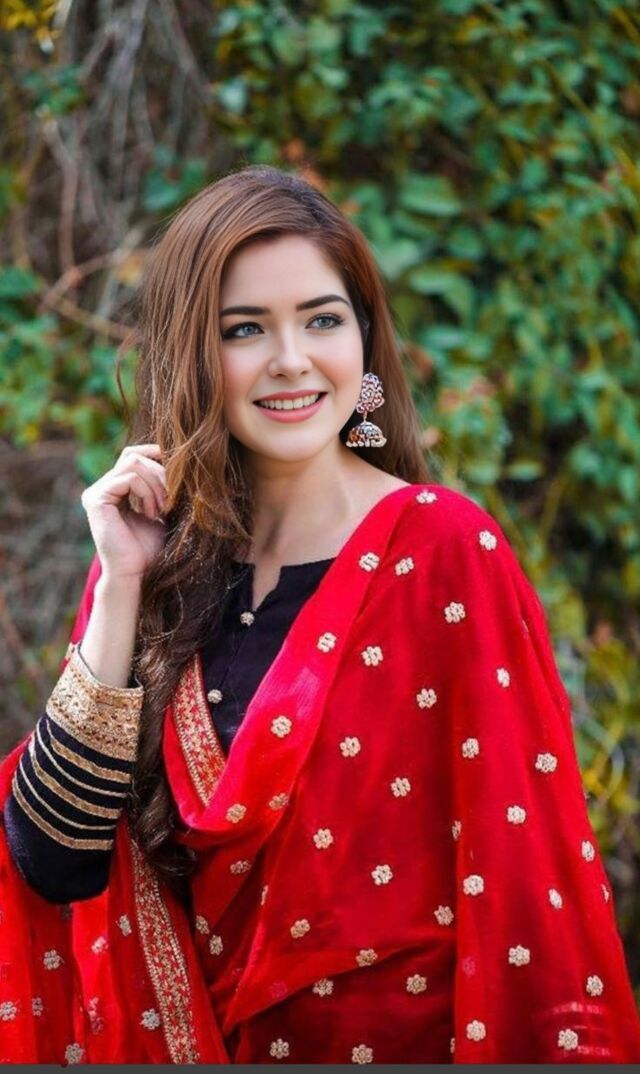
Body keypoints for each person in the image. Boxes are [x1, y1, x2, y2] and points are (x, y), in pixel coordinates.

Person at [0, 165, 638, 1065]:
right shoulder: (153, 564)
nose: (291, 359)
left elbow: (526, 881)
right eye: (245, 329)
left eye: (322, 320)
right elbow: (55, 861)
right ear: (193, 356)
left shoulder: (445, 553)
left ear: (364, 342)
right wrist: (118, 588)